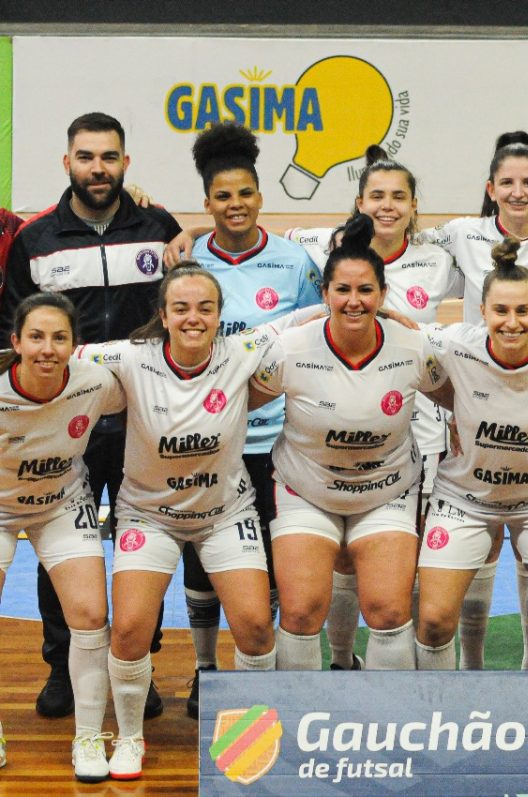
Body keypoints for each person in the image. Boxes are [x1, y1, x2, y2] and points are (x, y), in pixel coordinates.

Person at [0, 112, 189, 721]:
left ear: (125, 163)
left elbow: (184, 305)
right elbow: (14, 331)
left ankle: (139, 663)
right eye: (86, 157)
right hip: (63, 426)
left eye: (109, 157)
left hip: (142, 422)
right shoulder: (36, 239)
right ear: (68, 163)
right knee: (62, 550)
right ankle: (63, 667)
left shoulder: (159, 227)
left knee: (143, 551)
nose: (98, 168)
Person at [82, 265, 277, 780]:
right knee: (127, 631)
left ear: (219, 316)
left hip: (224, 514)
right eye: (182, 308)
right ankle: (128, 740)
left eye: (206, 308)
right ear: (163, 316)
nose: (194, 318)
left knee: (256, 628)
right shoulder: (128, 356)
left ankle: (251, 739)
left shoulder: (242, 352)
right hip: (148, 515)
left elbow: (306, 320)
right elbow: (59, 356)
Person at [285, 145, 461, 671]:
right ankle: (342, 661)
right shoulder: (320, 245)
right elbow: (270, 238)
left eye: (399, 197)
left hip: (417, 428)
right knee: (340, 556)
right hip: (335, 421)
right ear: (359, 201)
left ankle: (400, 673)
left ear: (414, 206)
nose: (387, 206)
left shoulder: (439, 255)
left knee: (399, 569)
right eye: (377, 196)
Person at [252, 214, 443, 673]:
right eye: (343, 290)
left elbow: (462, 399)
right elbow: (239, 405)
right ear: (325, 294)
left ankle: (385, 734)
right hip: (305, 491)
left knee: (390, 612)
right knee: (299, 613)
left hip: (387, 491)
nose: (354, 301)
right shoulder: (290, 349)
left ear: (382, 294)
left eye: (365, 291)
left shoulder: (415, 348)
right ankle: (300, 733)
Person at [186, 121, 322, 715]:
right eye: (223, 196)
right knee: (201, 554)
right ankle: (203, 668)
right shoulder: (188, 259)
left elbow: (318, 337)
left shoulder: (294, 262)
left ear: (261, 198)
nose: (235, 205)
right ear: (207, 203)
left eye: (245, 194)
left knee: (269, 558)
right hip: (209, 437)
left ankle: (259, 663)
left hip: (279, 441)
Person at [414, 238, 528, 671]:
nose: (511, 323)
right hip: (463, 500)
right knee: (434, 621)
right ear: (482, 312)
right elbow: (397, 328)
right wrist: (452, 403)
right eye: (500, 311)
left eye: (522, 312)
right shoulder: (456, 343)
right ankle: (451, 703)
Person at [0, 294, 125, 781]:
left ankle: (89, 736)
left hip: (61, 504)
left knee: (92, 616)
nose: (47, 348)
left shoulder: (96, 383)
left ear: (76, 345)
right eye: (36, 337)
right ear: (16, 342)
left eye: (59, 337)